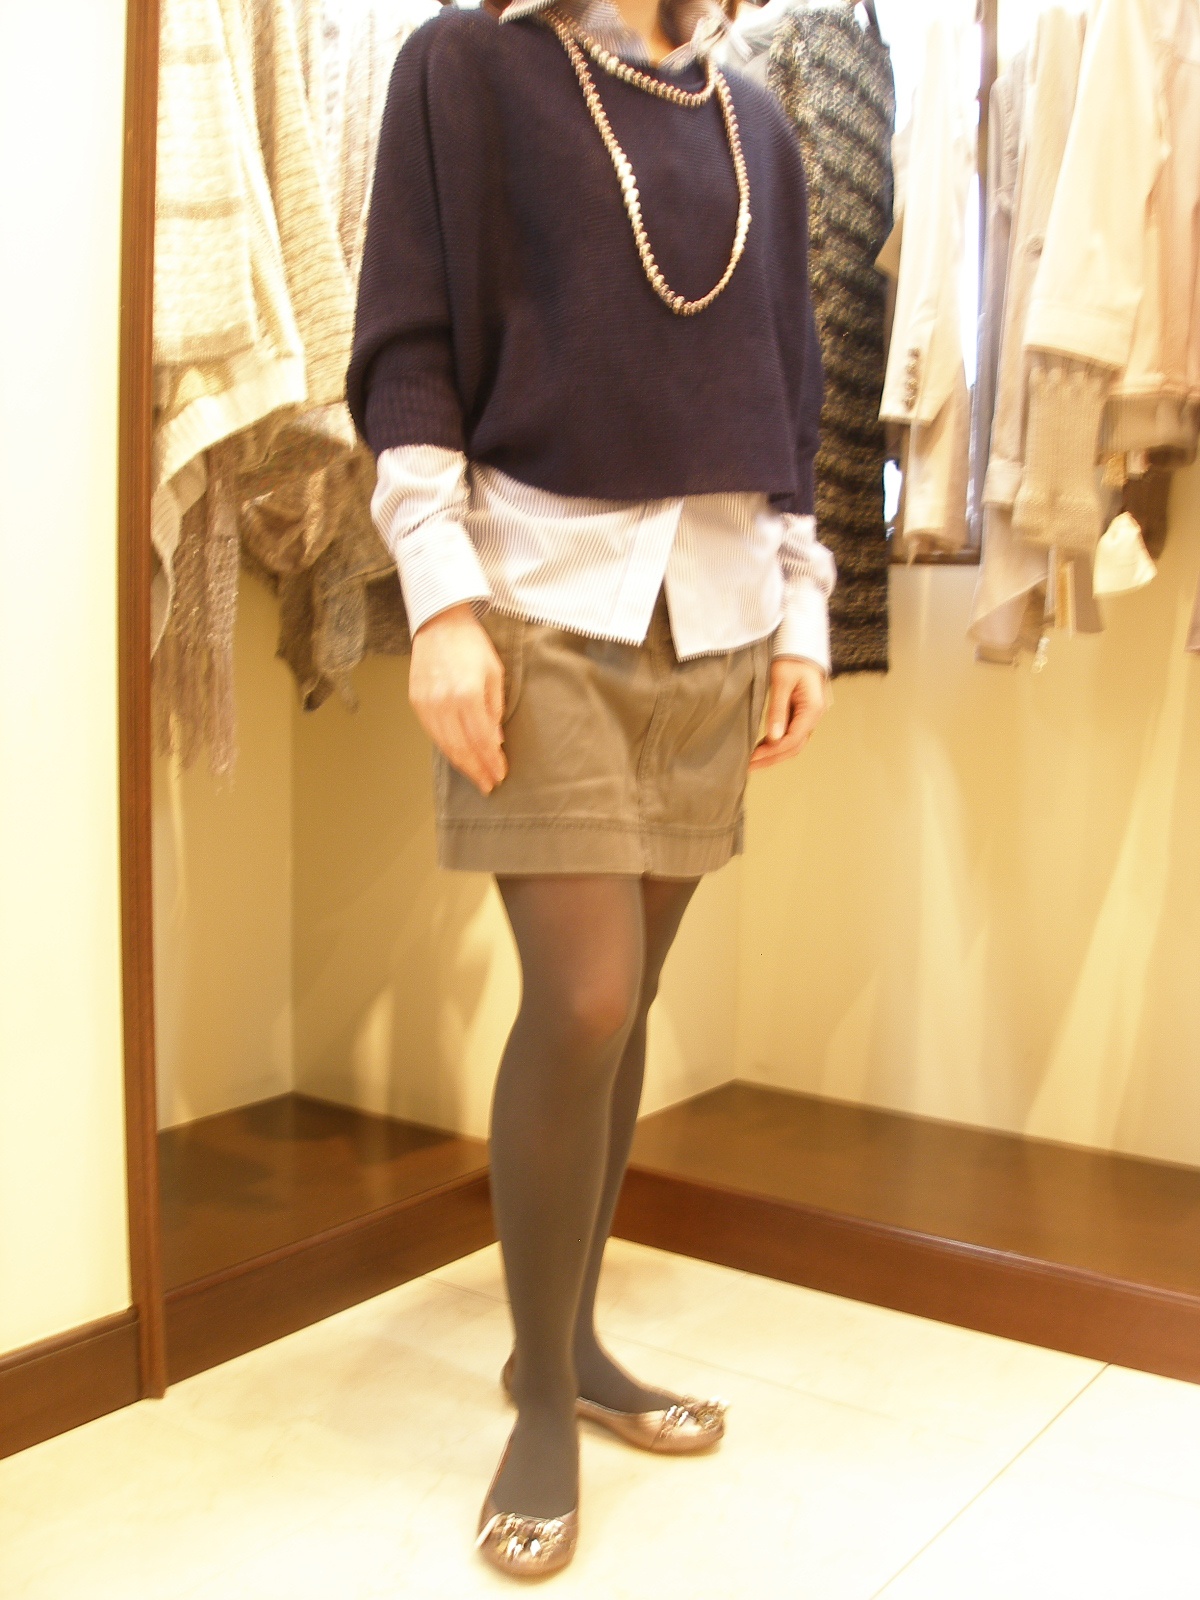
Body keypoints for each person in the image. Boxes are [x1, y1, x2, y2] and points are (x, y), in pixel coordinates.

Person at [346, 0, 834, 1577]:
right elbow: (409, 352)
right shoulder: (466, 66)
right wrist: (438, 604)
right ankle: (543, 1399)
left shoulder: (760, 125)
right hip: (539, 602)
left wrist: (803, 615)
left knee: (630, 1009)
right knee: (584, 998)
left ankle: (570, 1344)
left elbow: (795, 396)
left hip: (719, 615)